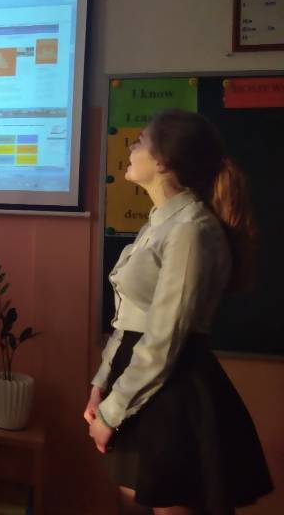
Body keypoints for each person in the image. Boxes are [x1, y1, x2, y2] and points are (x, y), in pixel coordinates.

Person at [84, 110, 273, 514]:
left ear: (163, 161)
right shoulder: (159, 223)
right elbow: (129, 319)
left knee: (168, 503)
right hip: (135, 386)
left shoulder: (191, 229)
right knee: (131, 502)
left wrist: (112, 413)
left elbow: (164, 338)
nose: (130, 149)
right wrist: (101, 385)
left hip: (172, 394)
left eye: (139, 142)